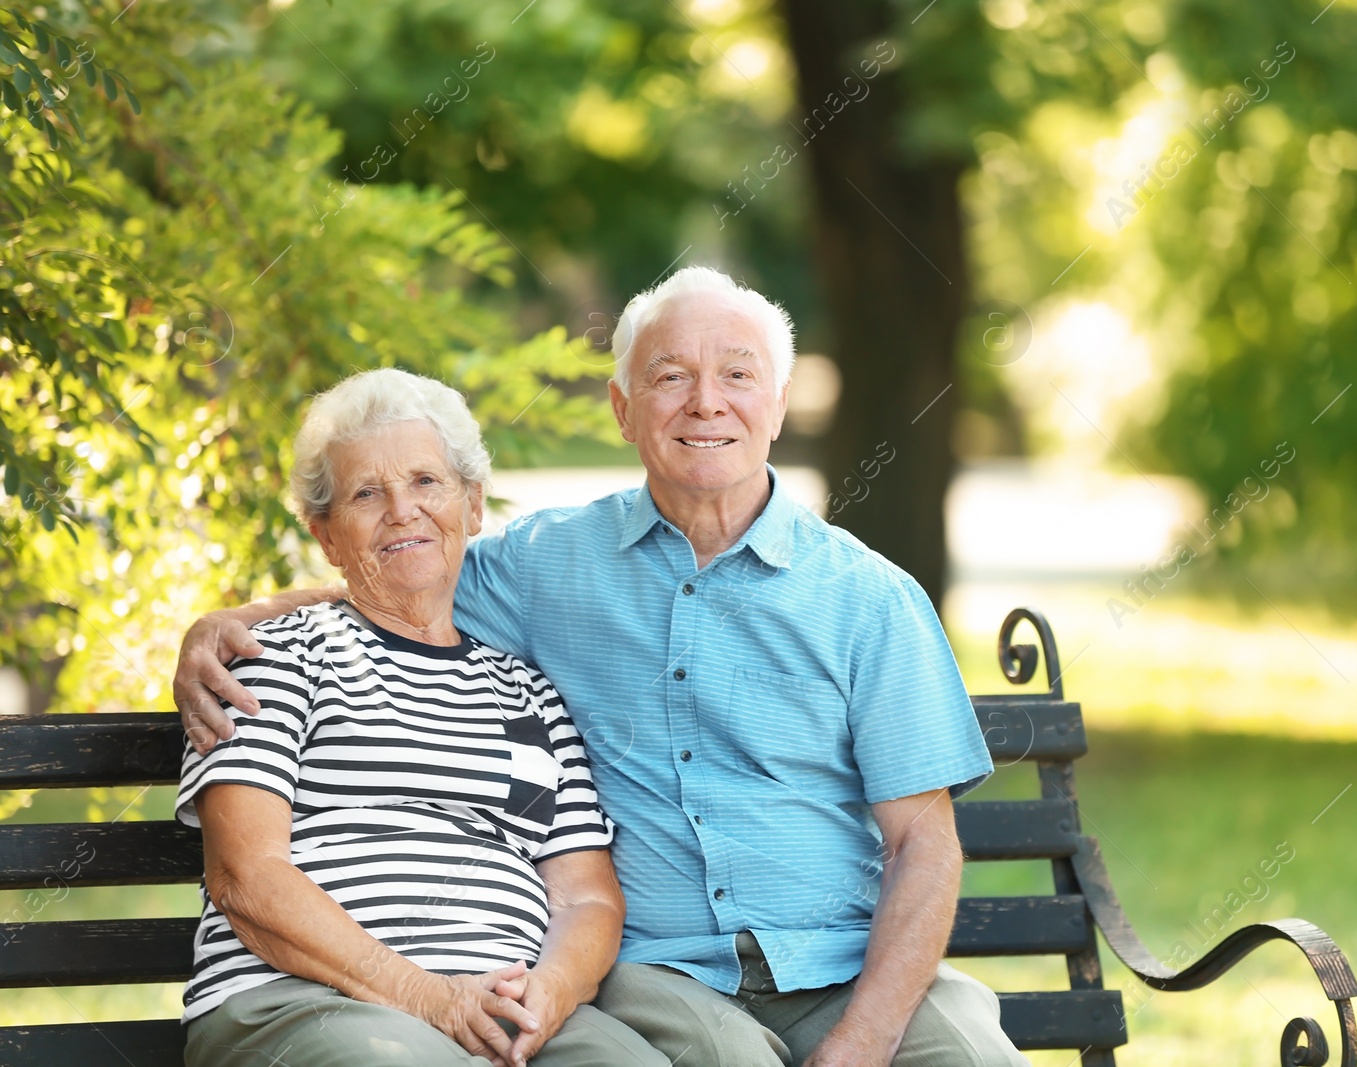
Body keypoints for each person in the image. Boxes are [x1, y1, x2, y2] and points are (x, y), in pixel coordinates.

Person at [176, 267, 1029, 1067]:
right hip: (659, 971)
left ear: (776, 403)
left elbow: (924, 841)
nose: (706, 403)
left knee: (968, 1056)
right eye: (670, 377)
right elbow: (400, 564)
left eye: (737, 375)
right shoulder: (546, 565)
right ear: (623, 407)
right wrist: (232, 624)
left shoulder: (871, 599)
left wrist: (865, 1040)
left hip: (842, 959)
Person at [176, 370, 667, 1067]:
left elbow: (586, 897)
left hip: (502, 1010)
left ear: (471, 505)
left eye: (426, 483)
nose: (402, 510)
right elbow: (247, 877)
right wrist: (430, 996)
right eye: (366, 493)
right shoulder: (273, 657)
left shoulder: (528, 694)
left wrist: (549, 992)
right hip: (308, 1001)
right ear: (327, 536)